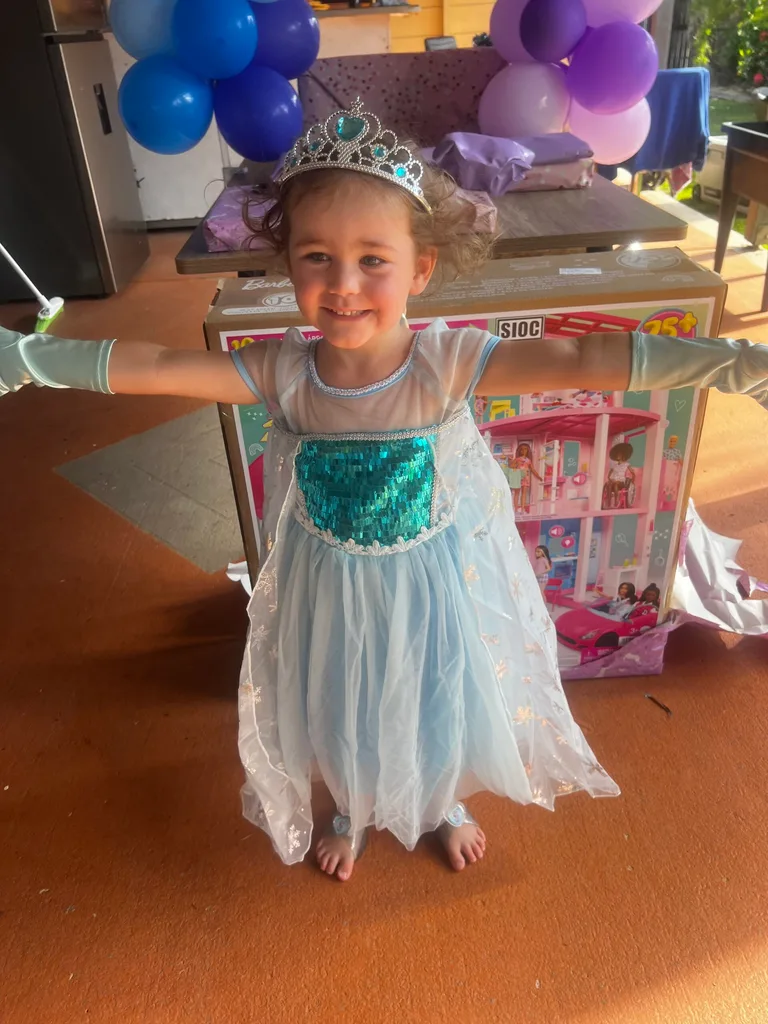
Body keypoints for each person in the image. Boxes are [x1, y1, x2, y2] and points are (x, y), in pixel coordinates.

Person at [2, 99, 768, 883]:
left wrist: (736, 364)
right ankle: (350, 805)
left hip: (432, 582)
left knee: (439, 694)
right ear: (288, 262)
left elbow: (583, 363)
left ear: (421, 267)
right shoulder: (283, 373)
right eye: (315, 258)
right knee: (338, 700)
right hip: (326, 583)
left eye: (373, 259)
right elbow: (160, 369)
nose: (343, 285)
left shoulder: (446, 363)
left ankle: (440, 801)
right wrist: (31, 358)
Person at [509, 442, 543, 514]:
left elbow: (532, 469)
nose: (524, 451)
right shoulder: (517, 459)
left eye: (525, 449)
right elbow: (511, 466)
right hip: (518, 477)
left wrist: (539, 476)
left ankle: (522, 509)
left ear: (528, 451)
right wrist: (513, 463)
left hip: (526, 477)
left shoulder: (528, 460)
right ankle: (515, 509)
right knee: (517, 493)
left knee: (524, 493)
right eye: (522, 449)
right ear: (520, 451)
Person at [605, 442, 636, 508]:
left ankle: (616, 501)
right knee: (609, 485)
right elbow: (609, 475)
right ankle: (609, 502)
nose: (617, 456)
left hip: (621, 482)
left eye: (619, 454)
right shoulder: (614, 465)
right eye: (617, 454)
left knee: (616, 485)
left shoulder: (626, 464)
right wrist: (610, 480)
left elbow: (633, 473)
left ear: (623, 455)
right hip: (614, 481)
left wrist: (632, 481)